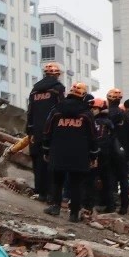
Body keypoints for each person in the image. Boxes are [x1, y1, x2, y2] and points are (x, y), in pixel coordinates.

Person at [42, 82, 98, 222]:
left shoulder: (56, 111)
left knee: (57, 180)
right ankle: (73, 214)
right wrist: (93, 155)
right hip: (79, 155)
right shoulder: (86, 114)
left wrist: (46, 150)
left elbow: (47, 131)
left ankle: (55, 207)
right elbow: (93, 137)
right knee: (76, 184)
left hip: (58, 152)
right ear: (83, 96)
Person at [25, 63, 65, 201]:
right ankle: (51, 194)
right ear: (56, 75)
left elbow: (30, 112)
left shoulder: (35, 90)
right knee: (51, 162)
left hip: (36, 131)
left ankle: (40, 191)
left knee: (38, 162)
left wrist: (30, 131)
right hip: (52, 131)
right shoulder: (57, 89)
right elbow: (61, 109)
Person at [91, 99, 128, 214]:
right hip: (115, 154)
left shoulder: (96, 122)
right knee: (111, 181)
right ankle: (116, 207)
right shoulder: (114, 121)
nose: (92, 111)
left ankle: (91, 205)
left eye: (94, 109)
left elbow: (97, 140)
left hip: (101, 155)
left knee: (93, 180)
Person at [106, 88, 129, 191]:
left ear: (109, 99)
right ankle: (124, 204)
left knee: (110, 176)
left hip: (109, 150)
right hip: (123, 151)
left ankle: (111, 201)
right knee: (123, 177)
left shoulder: (106, 114)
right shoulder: (126, 115)